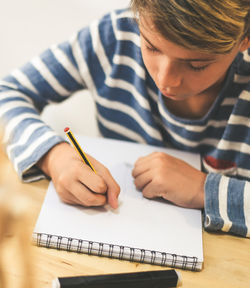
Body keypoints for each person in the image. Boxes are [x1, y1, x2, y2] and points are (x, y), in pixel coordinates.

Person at [0, 0, 249, 237]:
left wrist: (204, 190)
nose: (165, 80)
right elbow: (7, 93)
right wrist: (52, 156)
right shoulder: (114, 38)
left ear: (244, 40)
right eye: (151, 47)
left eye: (197, 65)